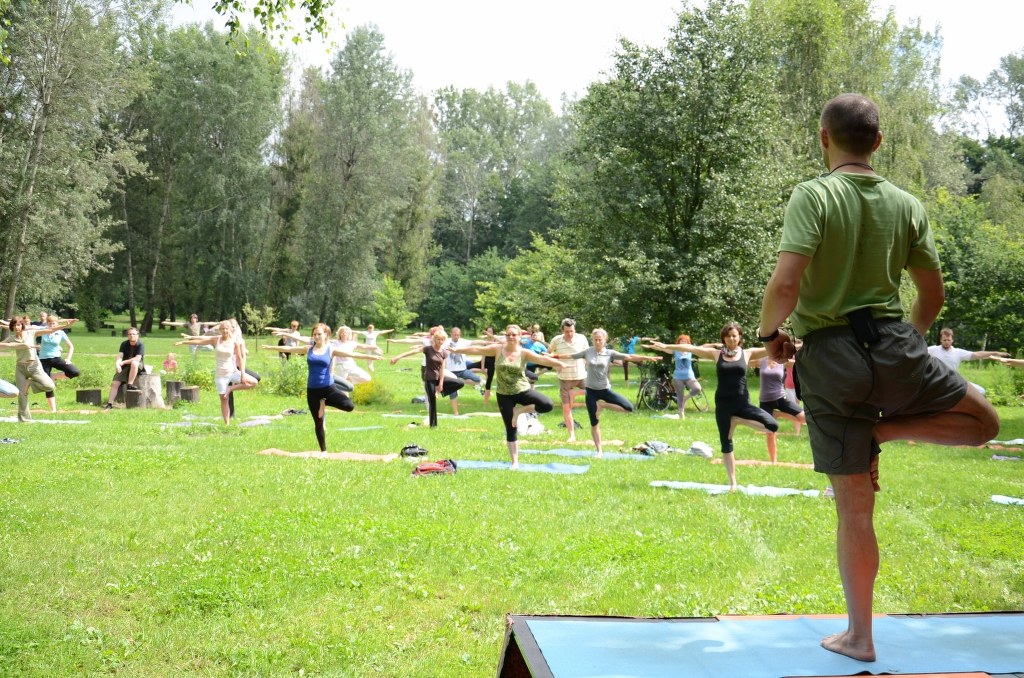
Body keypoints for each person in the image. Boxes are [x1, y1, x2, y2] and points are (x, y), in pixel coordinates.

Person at [757, 93, 999, 662]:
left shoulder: (813, 194)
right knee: (984, 423)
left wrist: (770, 336)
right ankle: (885, 433)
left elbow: (786, 285)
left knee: (854, 510)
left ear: (824, 138)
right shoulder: (906, 203)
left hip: (829, 357)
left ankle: (859, 637)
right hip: (895, 344)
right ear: (879, 142)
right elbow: (932, 295)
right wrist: (909, 343)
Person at [646, 324, 778, 489]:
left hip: (743, 404)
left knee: (772, 426)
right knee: (726, 444)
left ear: (740, 337)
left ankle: (737, 420)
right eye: (728, 336)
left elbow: (773, 348)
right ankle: (733, 484)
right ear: (723, 338)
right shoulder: (717, 354)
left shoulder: (747, 353)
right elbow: (690, 348)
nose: (731, 339)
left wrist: (797, 344)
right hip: (723, 404)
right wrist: (667, 346)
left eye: (734, 335)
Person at [455, 325, 564, 468]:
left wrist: (560, 364)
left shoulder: (524, 352)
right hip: (504, 394)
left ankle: (519, 411)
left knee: (547, 404)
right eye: (508, 335)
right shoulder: (498, 349)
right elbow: (477, 349)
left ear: (519, 337)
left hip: (522, 390)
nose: (511, 337)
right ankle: (515, 462)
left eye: (514, 335)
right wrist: (457, 350)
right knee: (511, 429)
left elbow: (542, 359)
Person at [268, 324, 381, 452]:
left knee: (349, 406)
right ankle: (323, 451)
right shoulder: (308, 349)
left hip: (328, 388)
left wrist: (370, 357)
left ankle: (324, 402)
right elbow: (289, 348)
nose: (316, 336)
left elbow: (352, 354)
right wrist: (271, 347)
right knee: (319, 422)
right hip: (312, 391)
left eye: (319, 334)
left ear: (326, 335)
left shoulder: (331, 349)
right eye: (314, 334)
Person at [554, 328, 658, 457]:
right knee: (594, 423)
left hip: (605, 390)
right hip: (591, 392)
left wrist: (648, 357)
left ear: (605, 340)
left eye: (600, 340)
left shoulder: (610, 353)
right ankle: (599, 451)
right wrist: (553, 356)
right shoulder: (588, 352)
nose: (598, 342)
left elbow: (629, 357)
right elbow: (570, 356)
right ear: (592, 340)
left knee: (629, 408)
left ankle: (602, 405)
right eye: (595, 340)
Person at [176, 321, 258, 424]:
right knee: (224, 399)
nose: (225, 331)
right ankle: (227, 424)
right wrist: (183, 342)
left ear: (230, 329)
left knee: (254, 382)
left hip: (233, 372)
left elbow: (240, 358)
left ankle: (230, 388)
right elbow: (200, 341)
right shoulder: (216, 340)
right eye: (222, 329)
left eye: (226, 329)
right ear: (220, 330)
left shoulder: (235, 342)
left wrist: (242, 374)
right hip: (220, 375)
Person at [0, 316, 76, 421]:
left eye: (18, 325)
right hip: (20, 368)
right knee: (22, 395)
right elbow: (1, 345)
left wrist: (65, 325)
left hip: (34, 366)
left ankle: (29, 383)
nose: (16, 327)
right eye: (14, 325)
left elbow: (50, 330)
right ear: (12, 327)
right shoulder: (11, 338)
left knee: (49, 386)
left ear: (22, 325)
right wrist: (18, 345)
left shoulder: (30, 333)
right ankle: (24, 420)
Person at [390, 328, 465, 425]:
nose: (440, 341)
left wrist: (441, 384)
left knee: (460, 382)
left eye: (442, 340)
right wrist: (398, 357)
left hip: (438, 378)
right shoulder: (428, 349)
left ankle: (439, 391)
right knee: (432, 403)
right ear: (434, 339)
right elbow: (413, 352)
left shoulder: (444, 352)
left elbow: (442, 369)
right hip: (429, 379)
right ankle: (433, 426)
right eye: (438, 339)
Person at [926, 328, 1008, 395]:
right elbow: (920, 352)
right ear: (941, 340)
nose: (946, 342)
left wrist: (995, 353)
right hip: (938, 381)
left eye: (948, 340)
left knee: (981, 391)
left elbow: (976, 354)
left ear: (952, 340)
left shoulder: (958, 352)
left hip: (954, 380)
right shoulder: (933, 349)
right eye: (944, 340)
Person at [547, 318, 589, 441]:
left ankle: (574, 393)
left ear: (574, 330)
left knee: (595, 395)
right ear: (562, 331)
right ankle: (572, 435)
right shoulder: (556, 340)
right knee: (566, 408)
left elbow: (587, 354)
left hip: (581, 376)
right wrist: (556, 366)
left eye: (572, 331)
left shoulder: (582, 338)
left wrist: (586, 365)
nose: (570, 334)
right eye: (567, 332)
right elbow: (548, 354)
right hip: (565, 378)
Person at [646, 333, 705, 419]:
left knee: (697, 388)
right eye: (682, 341)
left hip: (689, 376)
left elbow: (702, 348)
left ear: (688, 343)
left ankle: (685, 398)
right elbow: (663, 348)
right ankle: (681, 415)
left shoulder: (690, 350)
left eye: (685, 341)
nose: (683, 343)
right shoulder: (675, 350)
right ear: (678, 342)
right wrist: (651, 346)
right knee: (680, 396)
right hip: (678, 377)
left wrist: (715, 345)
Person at [758, 356, 806, 462]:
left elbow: (800, 363)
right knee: (770, 432)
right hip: (765, 402)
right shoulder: (761, 361)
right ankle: (773, 461)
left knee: (804, 419)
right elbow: (744, 361)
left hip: (781, 399)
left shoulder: (783, 362)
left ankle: (778, 414)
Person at [38, 314, 81, 412]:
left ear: (57, 324)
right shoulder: (44, 330)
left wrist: (68, 359)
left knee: (75, 372)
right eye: (50, 324)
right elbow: (31, 328)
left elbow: (71, 346)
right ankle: (53, 409)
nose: (52, 325)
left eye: (54, 323)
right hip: (43, 359)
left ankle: (54, 376)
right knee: (48, 385)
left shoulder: (60, 332)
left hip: (56, 358)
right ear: (47, 324)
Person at [104, 327, 145, 410]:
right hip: (125, 366)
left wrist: (123, 362)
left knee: (134, 363)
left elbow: (137, 358)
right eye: (130, 334)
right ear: (127, 335)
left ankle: (130, 384)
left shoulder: (140, 344)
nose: (132, 336)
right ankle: (110, 404)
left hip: (138, 365)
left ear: (138, 335)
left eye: (134, 334)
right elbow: (120, 356)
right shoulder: (124, 344)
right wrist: (117, 364)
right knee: (115, 383)